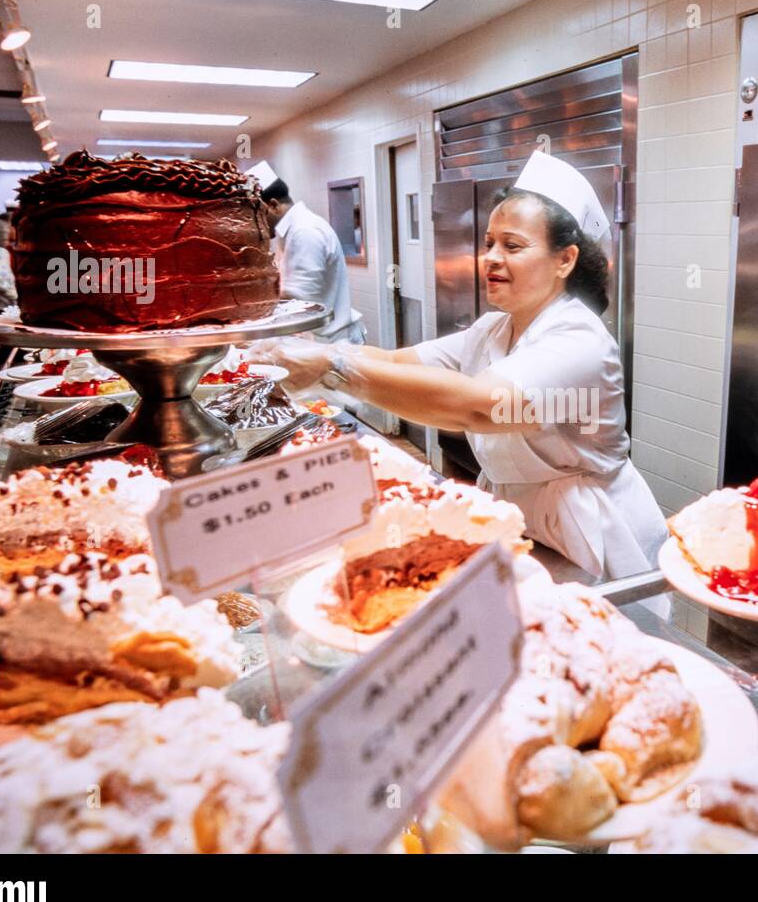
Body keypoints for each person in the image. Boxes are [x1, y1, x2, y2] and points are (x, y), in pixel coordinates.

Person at [249, 151, 669, 611]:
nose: (490, 257)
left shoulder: (580, 339)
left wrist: (333, 368)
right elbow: (397, 360)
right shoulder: (494, 328)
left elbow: (480, 407)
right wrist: (310, 355)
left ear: (565, 259)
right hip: (522, 520)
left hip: (589, 532)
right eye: (489, 242)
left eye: (512, 246)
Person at [260, 179, 365, 345]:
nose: (256, 224)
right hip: (317, 341)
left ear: (273, 205)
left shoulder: (304, 231)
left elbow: (299, 300)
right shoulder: (292, 230)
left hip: (328, 343)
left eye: (257, 215)